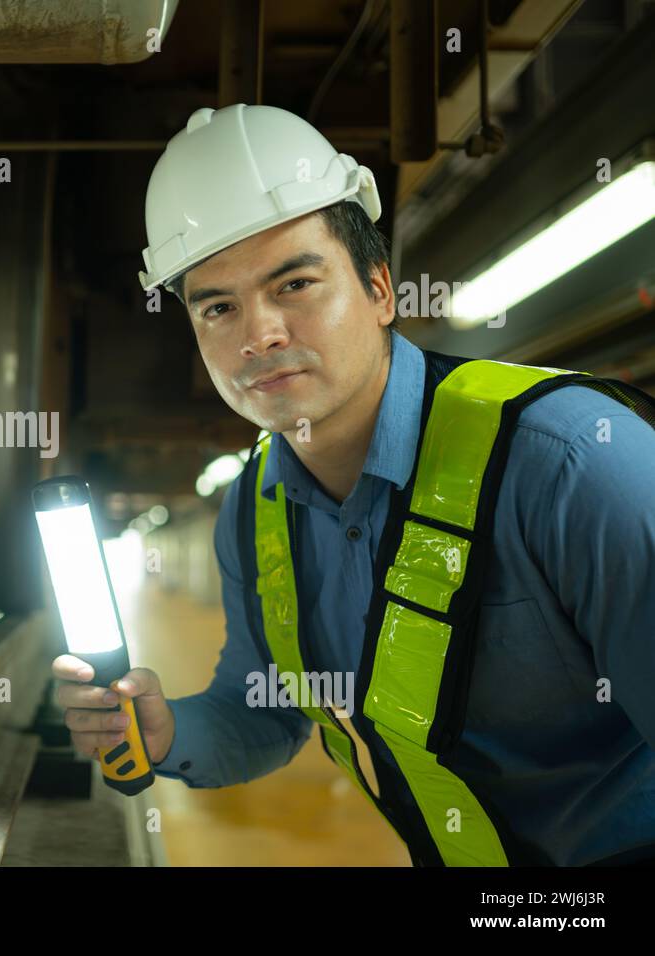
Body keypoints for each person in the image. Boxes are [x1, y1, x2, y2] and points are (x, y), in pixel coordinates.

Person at [53, 103, 655, 866]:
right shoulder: (256, 507)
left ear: (378, 289)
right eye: (217, 306)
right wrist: (165, 729)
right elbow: (261, 711)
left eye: (295, 283)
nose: (259, 334)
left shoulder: (570, 463)